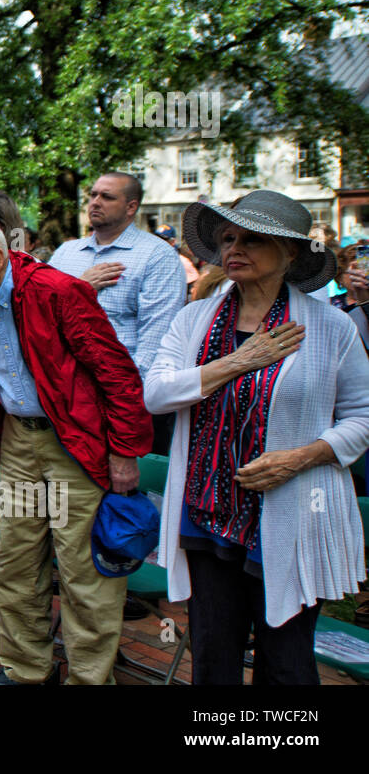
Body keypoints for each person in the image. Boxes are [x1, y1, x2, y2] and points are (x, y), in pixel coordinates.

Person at [145, 191, 369, 685]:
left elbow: (362, 415)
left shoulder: (330, 327)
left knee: (286, 663)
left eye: (253, 239)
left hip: (292, 513)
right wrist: (239, 361)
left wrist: (303, 457)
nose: (234, 248)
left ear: (290, 253)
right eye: (228, 238)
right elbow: (156, 394)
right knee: (213, 656)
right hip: (206, 514)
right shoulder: (193, 321)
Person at [0, 217, 151, 684]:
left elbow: (116, 374)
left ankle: (89, 679)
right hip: (20, 441)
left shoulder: (56, 291)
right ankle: (24, 671)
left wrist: (124, 450)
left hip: (72, 443)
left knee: (83, 574)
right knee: (15, 563)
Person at [48, 172, 186, 458]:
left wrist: (124, 406)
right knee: (72, 496)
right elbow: (41, 318)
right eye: (93, 195)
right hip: (66, 398)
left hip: (123, 404)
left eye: (107, 197)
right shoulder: (66, 253)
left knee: (126, 497)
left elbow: (156, 341)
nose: (95, 202)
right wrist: (80, 290)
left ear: (131, 207)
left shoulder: (156, 256)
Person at [155, 223, 201, 296]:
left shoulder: (181, 261)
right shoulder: (155, 257)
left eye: (163, 240)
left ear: (172, 242)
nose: (158, 242)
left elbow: (195, 283)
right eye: (157, 238)